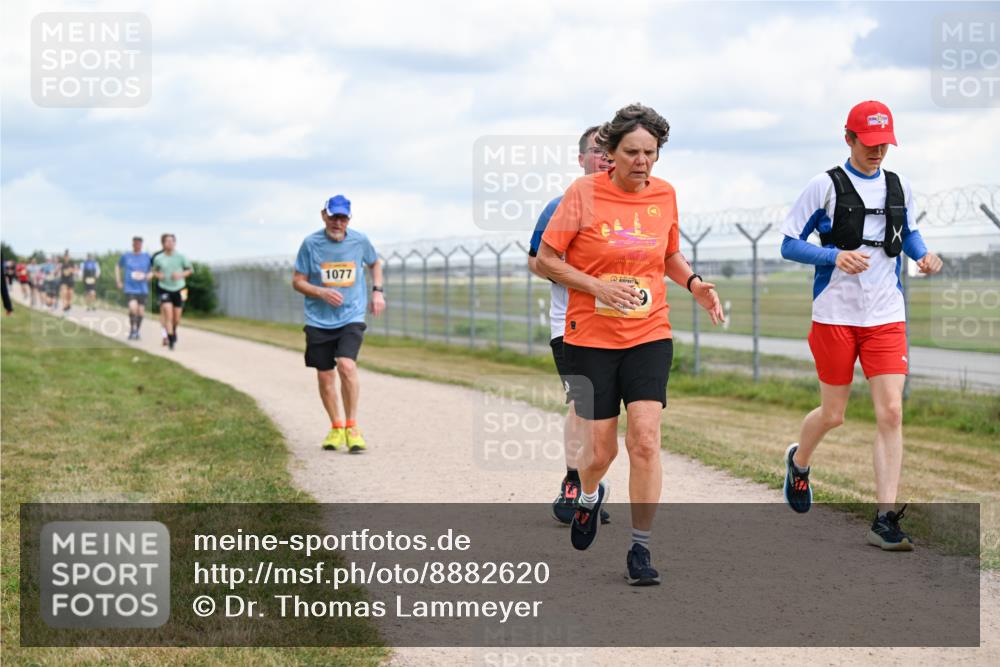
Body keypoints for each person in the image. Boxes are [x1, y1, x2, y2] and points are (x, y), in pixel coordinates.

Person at [537, 104, 724, 585]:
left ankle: (641, 548)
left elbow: (669, 254)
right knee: (600, 454)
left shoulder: (665, 194)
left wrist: (694, 284)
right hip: (590, 337)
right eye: (632, 153)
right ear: (611, 152)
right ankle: (588, 495)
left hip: (649, 333)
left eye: (650, 153)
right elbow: (546, 259)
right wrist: (595, 287)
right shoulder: (583, 194)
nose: (642, 162)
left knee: (644, 440)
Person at [779, 100, 942, 551]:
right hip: (834, 314)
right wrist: (834, 256)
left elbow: (908, 233)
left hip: (886, 315)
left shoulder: (898, 185)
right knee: (834, 414)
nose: (878, 151)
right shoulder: (824, 185)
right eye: (869, 142)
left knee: (891, 412)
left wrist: (923, 255)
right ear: (848, 138)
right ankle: (800, 462)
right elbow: (789, 244)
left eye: (884, 143)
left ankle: (884, 519)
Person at [529, 126, 613, 526]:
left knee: (606, 413)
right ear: (581, 159)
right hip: (571, 323)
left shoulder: (631, 206)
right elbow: (535, 261)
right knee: (583, 401)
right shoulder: (560, 205)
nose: (605, 157)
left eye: (611, 150)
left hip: (620, 325)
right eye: (597, 150)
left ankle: (592, 485)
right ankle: (574, 481)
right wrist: (580, 279)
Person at [292, 195, 385, 453]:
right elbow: (297, 281)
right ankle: (336, 426)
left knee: (346, 365)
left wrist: (377, 291)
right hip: (318, 319)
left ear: (349, 219)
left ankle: (352, 427)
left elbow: (375, 263)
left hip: (351, 316)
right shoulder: (310, 244)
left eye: (343, 218)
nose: (338, 223)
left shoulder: (359, 240)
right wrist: (320, 292)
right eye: (334, 217)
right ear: (324, 215)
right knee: (325, 375)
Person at [151, 234, 193, 350]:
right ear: (163, 243)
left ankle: (173, 331)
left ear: (175, 243)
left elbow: (190, 270)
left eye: (171, 241)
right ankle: (170, 339)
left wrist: (180, 275)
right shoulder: (158, 258)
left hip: (180, 288)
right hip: (164, 288)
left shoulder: (181, 257)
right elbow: (153, 270)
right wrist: (158, 275)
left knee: (177, 318)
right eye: (167, 241)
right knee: (168, 314)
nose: (169, 243)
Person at [116, 237, 153, 340]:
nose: (137, 245)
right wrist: (118, 280)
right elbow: (118, 266)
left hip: (142, 288)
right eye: (135, 243)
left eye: (139, 244)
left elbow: (152, 270)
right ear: (133, 244)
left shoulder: (147, 257)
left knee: (141, 311)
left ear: (141, 245)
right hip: (130, 288)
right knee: (133, 308)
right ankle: (132, 329)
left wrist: (149, 275)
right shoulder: (126, 256)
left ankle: (137, 331)